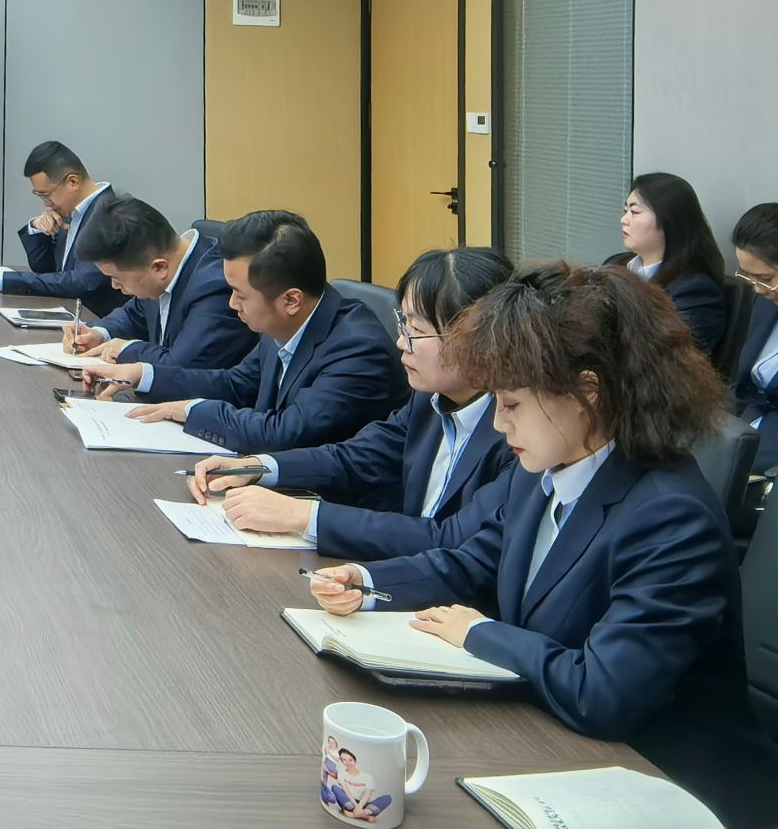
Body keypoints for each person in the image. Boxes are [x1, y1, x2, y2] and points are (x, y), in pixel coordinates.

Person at [307, 262, 778, 828]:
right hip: (557, 745)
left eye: (512, 404)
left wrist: (478, 632)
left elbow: (602, 693)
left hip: (668, 783)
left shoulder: (671, 518)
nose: (498, 424)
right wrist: (367, 582)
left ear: (586, 393)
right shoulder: (545, 469)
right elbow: (472, 562)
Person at [188, 246, 515, 559]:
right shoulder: (429, 399)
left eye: (416, 330)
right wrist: (261, 467)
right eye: (403, 324)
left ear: (476, 340)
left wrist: (304, 516)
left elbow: (451, 540)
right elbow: (357, 457)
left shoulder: (515, 431)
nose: (401, 342)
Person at [79, 209, 406, 452]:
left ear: (290, 300)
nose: (232, 304)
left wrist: (190, 410)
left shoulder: (358, 349)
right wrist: (144, 375)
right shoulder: (283, 322)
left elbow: (285, 432)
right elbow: (237, 383)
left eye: (240, 294)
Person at [64, 196, 248, 368]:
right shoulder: (161, 270)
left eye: (117, 279)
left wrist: (126, 349)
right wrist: (98, 333)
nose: (114, 286)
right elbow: (134, 313)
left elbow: (179, 365)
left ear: (159, 267)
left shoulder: (215, 287)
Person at [0, 141, 124, 315]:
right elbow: (47, 271)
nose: (46, 204)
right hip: (67, 315)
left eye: (46, 195)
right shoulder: (72, 209)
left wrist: (3, 280)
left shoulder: (111, 214)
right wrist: (38, 229)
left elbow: (83, 282)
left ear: (73, 182)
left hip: (96, 321)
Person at [606, 171, 727, 360]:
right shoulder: (615, 265)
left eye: (635, 212)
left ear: (668, 220)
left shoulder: (694, 291)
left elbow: (668, 359)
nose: (624, 219)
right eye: (625, 211)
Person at [727, 202, 778, 472]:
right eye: (747, 276)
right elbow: (743, 386)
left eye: (765, 278)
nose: (757, 289)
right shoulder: (767, 303)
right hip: (745, 425)